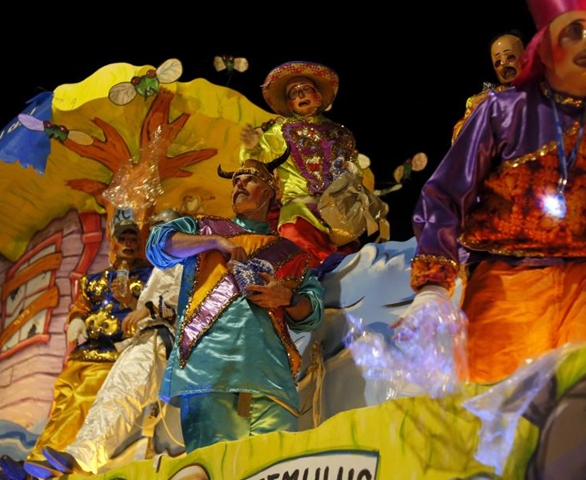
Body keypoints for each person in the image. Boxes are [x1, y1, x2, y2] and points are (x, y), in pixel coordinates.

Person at [404, 0, 586, 384]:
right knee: (496, 403)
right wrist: (433, 285)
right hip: (507, 281)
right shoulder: (501, 111)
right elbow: (446, 193)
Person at [145, 150, 324, 453]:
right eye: (235, 180)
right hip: (209, 373)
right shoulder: (203, 227)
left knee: (274, 468)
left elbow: (313, 312)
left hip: (272, 379)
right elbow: (157, 245)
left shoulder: (292, 254)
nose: (238, 184)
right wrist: (215, 242)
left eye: (249, 179)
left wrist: (287, 298)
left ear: (269, 191)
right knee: (214, 468)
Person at [0, 214, 154, 480]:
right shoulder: (96, 280)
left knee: (81, 403)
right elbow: (81, 304)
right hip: (85, 352)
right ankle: (32, 465)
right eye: (122, 238)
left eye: (133, 239)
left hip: (115, 354)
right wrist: (76, 319)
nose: (127, 244)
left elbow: (153, 309)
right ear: (113, 242)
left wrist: (130, 301)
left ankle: (54, 465)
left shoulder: (149, 277)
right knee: (62, 404)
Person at [25, 210, 185, 477]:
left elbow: (180, 299)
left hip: (152, 342)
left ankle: (79, 462)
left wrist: (144, 309)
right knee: (93, 399)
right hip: (129, 343)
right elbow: (87, 305)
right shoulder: (154, 268)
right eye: (155, 232)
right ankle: (51, 458)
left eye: (163, 231)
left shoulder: (180, 262)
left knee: (115, 398)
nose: (156, 239)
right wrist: (126, 305)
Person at [240, 61, 386, 267]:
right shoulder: (278, 132)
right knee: (298, 249)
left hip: (338, 214)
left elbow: (354, 169)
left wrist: (351, 171)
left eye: (306, 89)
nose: (300, 95)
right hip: (300, 210)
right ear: (288, 103)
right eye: (293, 93)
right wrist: (252, 148)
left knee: (348, 263)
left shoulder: (340, 134)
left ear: (318, 95)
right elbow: (256, 166)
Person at [451, 31, 526, 143]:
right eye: (498, 62)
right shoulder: (485, 100)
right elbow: (459, 142)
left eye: (510, 58)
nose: (504, 65)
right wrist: (475, 117)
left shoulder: (542, 89)